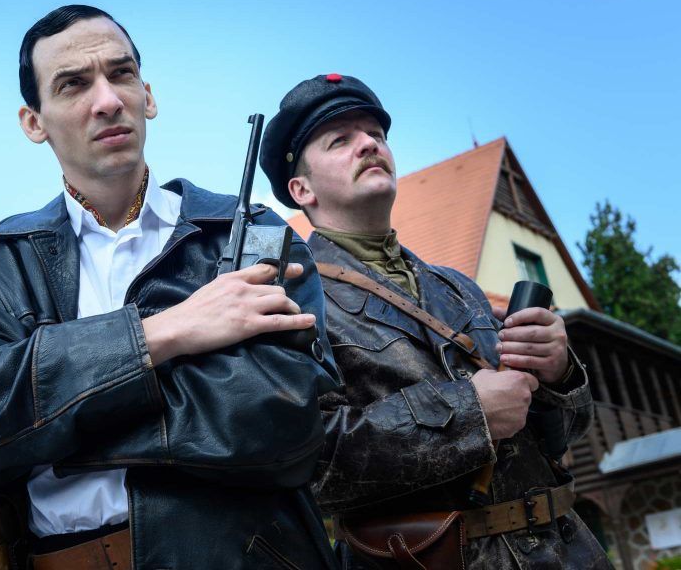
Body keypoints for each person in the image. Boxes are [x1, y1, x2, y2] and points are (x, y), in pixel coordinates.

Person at [0, 5, 340, 570]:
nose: (107, 100)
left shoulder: (252, 233)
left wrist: (51, 429)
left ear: (148, 96)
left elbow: (285, 418)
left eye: (121, 74)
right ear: (34, 123)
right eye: (72, 84)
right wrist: (165, 333)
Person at [260, 74, 610, 569]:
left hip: (567, 551)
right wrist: (469, 413)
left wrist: (558, 373)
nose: (369, 145)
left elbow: (559, 438)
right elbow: (306, 461)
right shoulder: (288, 298)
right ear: (302, 188)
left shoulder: (459, 287)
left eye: (376, 134)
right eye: (341, 140)